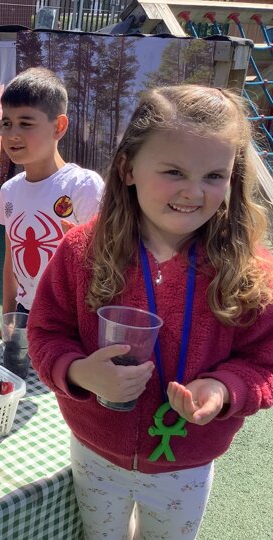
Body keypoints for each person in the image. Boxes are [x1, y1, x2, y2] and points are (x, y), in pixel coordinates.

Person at [28, 85, 273, 539]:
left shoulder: (249, 270)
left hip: (186, 465)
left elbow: (265, 362)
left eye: (214, 176)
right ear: (128, 169)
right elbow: (45, 332)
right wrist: (80, 372)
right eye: (174, 171)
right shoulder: (81, 250)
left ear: (233, 178)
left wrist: (223, 388)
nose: (193, 192)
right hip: (95, 452)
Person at [0, 67, 104, 315]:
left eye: (25, 123)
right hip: (25, 311)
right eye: (7, 123)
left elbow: (102, 265)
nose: (12, 134)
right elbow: (11, 260)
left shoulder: (83, 186)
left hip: (69, 317)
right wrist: (7, 317)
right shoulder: (9, 190)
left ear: (59, 126)